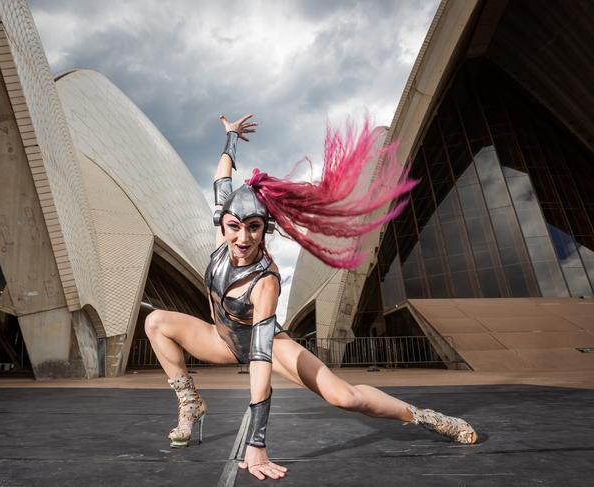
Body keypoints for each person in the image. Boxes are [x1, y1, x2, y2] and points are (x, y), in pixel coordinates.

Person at [144, 114, 478, 481]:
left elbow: (260, 359)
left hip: (269, 345)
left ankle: (427, 418)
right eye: (234, 227)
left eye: (253, 228)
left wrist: (256, 441)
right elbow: (221, 175)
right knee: (155, 321)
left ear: (265, 227)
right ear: (222, 222)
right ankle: (190, 403)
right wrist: (231, 138)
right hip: (221, 339)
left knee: (345, 398)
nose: (242, 239)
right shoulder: (228, 219)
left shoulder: (265, 281)